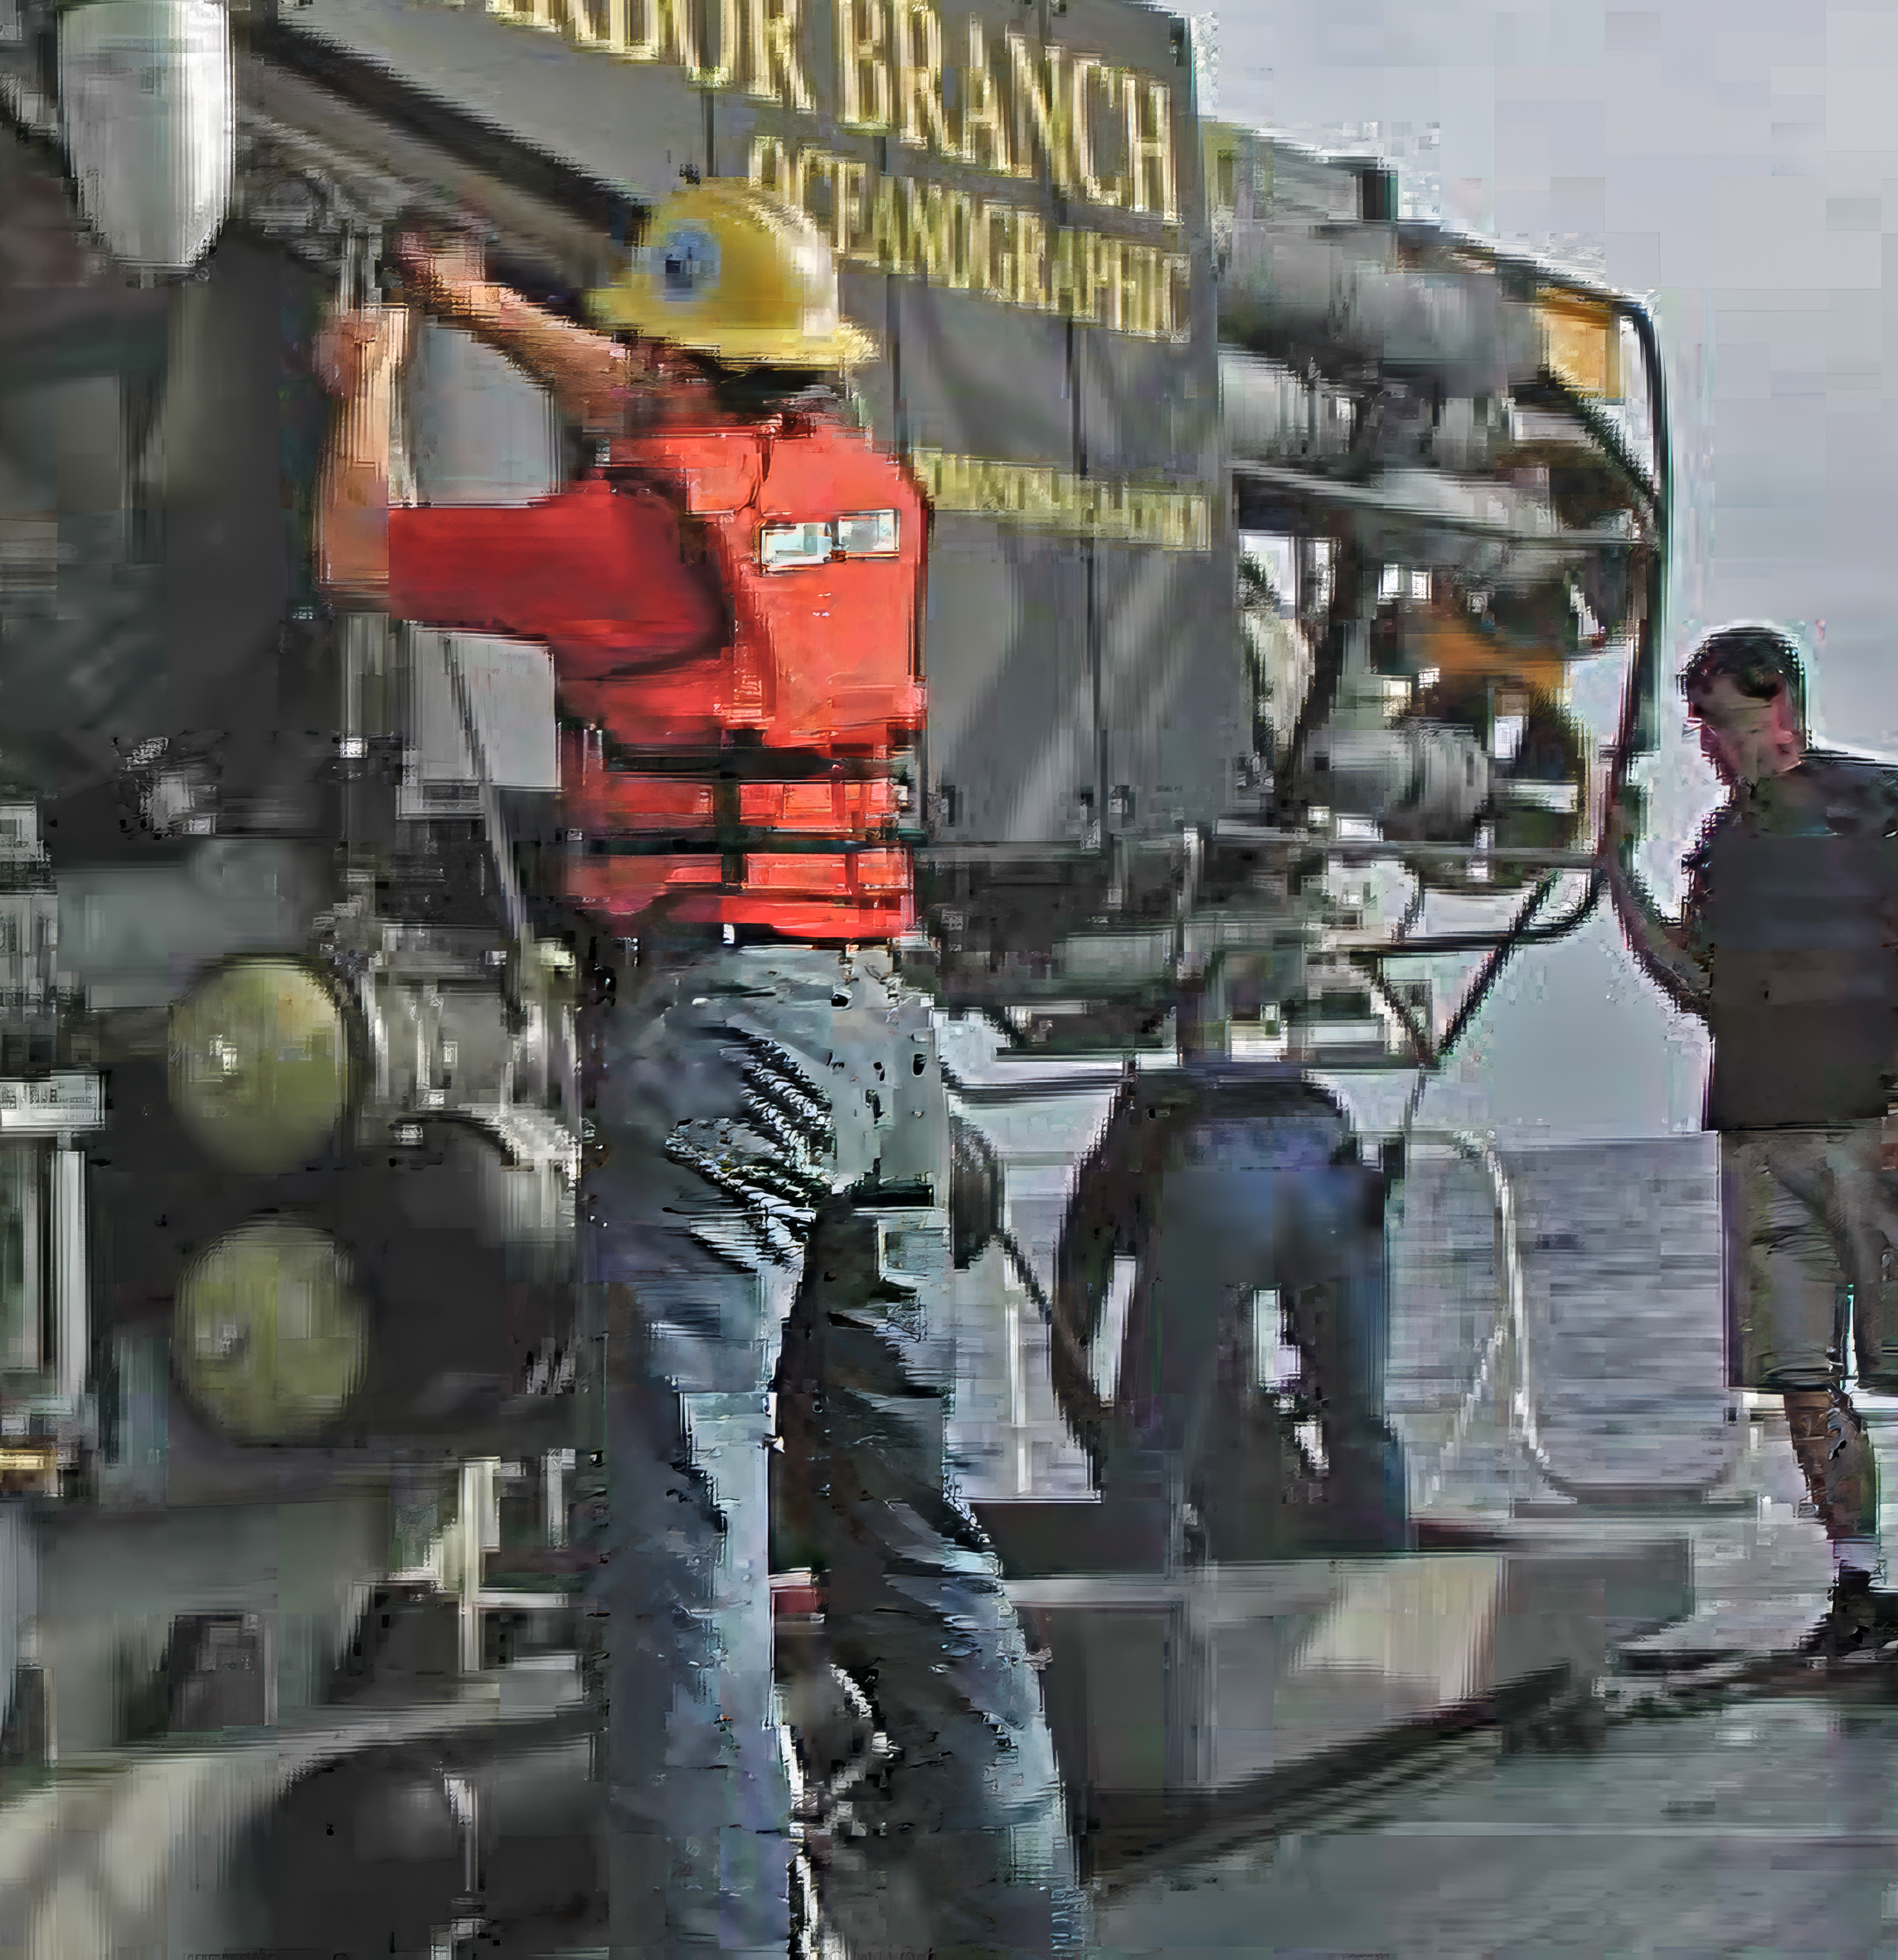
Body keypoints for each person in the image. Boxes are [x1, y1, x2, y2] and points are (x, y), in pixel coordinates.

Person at [312, 182, 1088, 1960]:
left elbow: (361, 546)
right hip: (882, 1043)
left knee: (674, 1561)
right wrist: (489, 307)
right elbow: (655, 425)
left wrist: (370, 373)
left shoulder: (621, 541)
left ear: (680, 360)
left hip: (727, 1033)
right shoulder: (857, 493)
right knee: (913, 1544)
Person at [1602, 620, 1898, 1672]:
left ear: (1777, 706)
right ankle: (1862, 1580)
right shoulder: (1723, 846)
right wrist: (1613, 873)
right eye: (1698, 729)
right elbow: (1693, 981)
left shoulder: (1876, 801)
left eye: (1722, 723)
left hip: (1873, 1127)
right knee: (1799, 1378)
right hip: (1757, 1136)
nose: (1711, 747)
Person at [1047, 1056, 1412, 1569]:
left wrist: (1104, 1446)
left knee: (1153, 1450)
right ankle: (1388, 1607)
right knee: (1361, 1427)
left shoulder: (1100, 1185)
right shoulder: (1135, 1154)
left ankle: (1138, 1630)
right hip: (1335, 1162)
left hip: (1212, 1168)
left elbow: (1069, 1339)